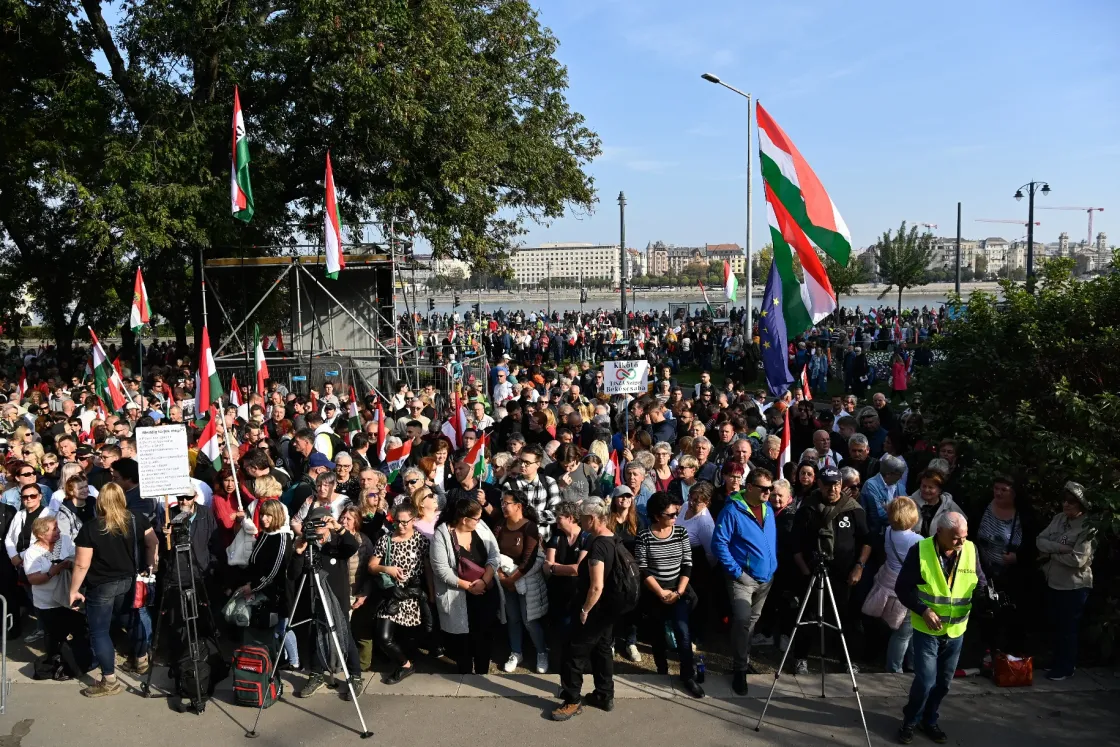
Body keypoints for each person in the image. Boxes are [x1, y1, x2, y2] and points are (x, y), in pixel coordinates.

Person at [895, 512, 985, 745]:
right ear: (940, 532)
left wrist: (987, 596)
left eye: (964, 537)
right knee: (925, 681)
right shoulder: (920, 550)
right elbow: (903, 588)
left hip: (956, 630)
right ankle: (910, 721)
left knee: (943, 683)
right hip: (927, 630)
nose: (961, 542)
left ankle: (930, 719)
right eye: (956, 538)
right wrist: (924, 610)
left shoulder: (970, 549)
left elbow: (980, 580)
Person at [68, 482, 158, 697]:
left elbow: (82, 564)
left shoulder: (91, 527)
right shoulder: (136, 519)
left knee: (100, 631)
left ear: (100, 501)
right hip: (129, 581)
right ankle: (142, 660)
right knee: (133, 619)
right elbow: (152, 543)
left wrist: (74, 590)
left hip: (101, 586)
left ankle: (109, 680)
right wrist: (151, 567)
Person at [792, 466, 871, 676]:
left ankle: (848, 660)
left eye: (836, 484)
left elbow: (866, 541)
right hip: (812, 573)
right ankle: (800, 658)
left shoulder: (853, 509)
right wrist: (804, 570)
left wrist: (859, 567)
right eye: (828, 485)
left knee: (845, 617)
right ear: (819, 484)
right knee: (807, 616)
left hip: (844, 574)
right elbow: (795, 544)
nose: (832, 489)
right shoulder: (808, 508)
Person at [551, 497, 619, 722]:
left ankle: (572, 701)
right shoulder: (612, 538)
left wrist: (585, 609)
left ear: (591, 519)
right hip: (608, 610)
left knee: (574, 654)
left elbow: (596, 585)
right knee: (602, 653)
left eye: (581, 517)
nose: (579, 521)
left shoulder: (598, 545)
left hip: (594, 610)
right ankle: (604, 694)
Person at [711, 468, 778, 695]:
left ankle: (744, 659)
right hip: (742, 579)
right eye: (764, 488)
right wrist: (737, 572)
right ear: (750, 487)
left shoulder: (768, 509)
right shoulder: (732, 511)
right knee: (741, 621)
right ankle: (739, 669)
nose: (768, 493)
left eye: (770, 488)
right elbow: (719, 543)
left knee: (752, 621)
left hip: (765, 579)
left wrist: (772, 566)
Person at [288, 506, 363, 700]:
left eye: (322, 522)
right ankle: (316, 673)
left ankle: (354, 676)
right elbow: (293, 575)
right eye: (313, 522)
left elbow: (353, 546)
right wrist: (297, 553)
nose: (318, 527)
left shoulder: (337, 543)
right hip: (313, 599)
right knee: (314, 635)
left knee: (344, 634)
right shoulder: (306, 545)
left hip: (337, 600)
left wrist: (339, 527)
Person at [635, 491, 703, 698]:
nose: (675, 518)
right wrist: (660, 592)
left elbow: (687, 564)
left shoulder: (681, 533)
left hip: (678, 592)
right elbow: (642, 568)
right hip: (655, 593)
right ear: (657, 516)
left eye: (676, 514)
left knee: (683, 634)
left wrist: (678, 591)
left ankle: (687, 675)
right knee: (657, 636)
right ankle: (661, 670)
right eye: (671, 515)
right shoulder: (644, 536)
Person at [429, 497, 502, 675]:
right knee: (463, 642)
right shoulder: (442, 534)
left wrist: (484, 581)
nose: (479, 521)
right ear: (464, 519)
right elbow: (441, 570)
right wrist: (469, 586)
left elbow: (495, 555)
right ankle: (465, 674)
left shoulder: (481, 527)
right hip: (459, 596)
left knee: (484, 638)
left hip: (486, 592)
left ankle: (482, 673)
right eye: (476, 518)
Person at [1036, 481, 1095, 681]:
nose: (1067, 505)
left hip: (1074, 585)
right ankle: (1057, 662)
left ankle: (1065, 667)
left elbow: (1078, 559)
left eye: (1072, 502)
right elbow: (1040, 540)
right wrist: (1060, 549)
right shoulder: (1059, 519)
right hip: (1054, 581)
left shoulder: (1088, 527)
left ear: (1081, 505)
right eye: (1065, 501)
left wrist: (1051, 554)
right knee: (1056, 625)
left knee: (1068, 628)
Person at [23, 515, 94, 678]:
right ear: (41, 534)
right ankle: (54, 664)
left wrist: (68, 564)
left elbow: (76, 558)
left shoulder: (66, 540)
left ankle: (75, 662)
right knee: (54, 636)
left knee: (81, 629)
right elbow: (32, 579)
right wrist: (52, 572)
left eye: (57, 527)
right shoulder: (32, 553)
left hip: (67, 599)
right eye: (53, 529)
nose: (58, 531)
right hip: (47, 603)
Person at [369, 503, 431, 682]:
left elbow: (427, 568)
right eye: (398, 522)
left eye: (405, 522)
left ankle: (406, 663)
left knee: (409, 638)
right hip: (392, 596)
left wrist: (431, 595)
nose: (401, 526)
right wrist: (387, 569)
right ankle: (405, 665)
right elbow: (371, 566)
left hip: (413, 597)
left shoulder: (421, 540)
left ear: (414, 520)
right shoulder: (385, 540)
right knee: (384, 637)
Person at [862, 496, 923, 673]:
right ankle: (895, 669)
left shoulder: (889, 531)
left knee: (907, 630)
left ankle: (911, 663)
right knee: (904, 632)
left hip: (889, 581)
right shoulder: (917, 540)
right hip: (907, 587)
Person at [495, 489, 549, 674]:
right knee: (513, 618)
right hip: (506, 581)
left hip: (526, 582)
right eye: (502, 502)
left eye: (506, 502)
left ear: (518, 506)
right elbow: (494, 553)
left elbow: (529, 559)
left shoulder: (529, 527)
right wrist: (502, 576)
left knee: (529, 620)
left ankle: (541, 652)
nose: (503, 505)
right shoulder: (500, 525)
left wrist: (512, 579)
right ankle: (516, 652)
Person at [240, 501, 297, 671]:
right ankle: (284, 658)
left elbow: (275, 570)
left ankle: (294, 661)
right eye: (262, 515)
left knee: (284, 626)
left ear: (277, 516)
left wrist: (254, 586)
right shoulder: (266, 533)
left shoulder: (281, 537)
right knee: (277, 627)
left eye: (268, 515)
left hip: (280, 591)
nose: (264, 519)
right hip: (266, 590)